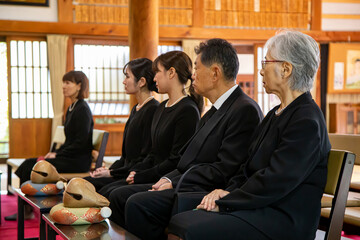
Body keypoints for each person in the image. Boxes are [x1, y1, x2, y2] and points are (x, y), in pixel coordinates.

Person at [168, 31, 331, 240]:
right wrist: (223, 191)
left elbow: (276, 180)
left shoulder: (306, 120)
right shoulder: (276, 113)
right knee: (182, 213)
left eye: (266, 62)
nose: (261, 71)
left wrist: (228, 199)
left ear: (286, 69)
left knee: (187, 225)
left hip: (283, 218)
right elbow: (247, 167)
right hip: (261, 205)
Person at [110, 38, 263, 239]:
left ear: (215, 73)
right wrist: (167, 178)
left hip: (208, 192)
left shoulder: (244, 109)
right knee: (123, 196)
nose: (193, 75)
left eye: (197, 68)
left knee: (137, 202)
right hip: (190, 184)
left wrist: (176, 182)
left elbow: (225, 168)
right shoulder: (212, 111)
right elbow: (186, 159)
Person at [97, 51, 202, 199]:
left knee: (115, 195)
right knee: (107, 191)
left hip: (167, 180)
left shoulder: (188, 110)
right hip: (153, 174)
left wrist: (141, 175)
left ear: (171, 73)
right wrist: (136, 171)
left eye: (157, 72)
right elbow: (153, 154)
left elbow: (176, 160)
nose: (154, 78)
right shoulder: (162, 107)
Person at [6, 70, 94, 221]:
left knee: (30, 165)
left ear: (79, 86)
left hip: (76, 161)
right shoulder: (72, 108)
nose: (63, 86)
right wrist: (56, 153)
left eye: (68, 83)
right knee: (29, 163)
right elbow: (69, 142)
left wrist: (57, 154)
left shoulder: (82, 109)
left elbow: (80, 143)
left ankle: (27, 210)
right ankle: (27, 209)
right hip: (68, 157)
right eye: (63, 83)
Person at [84, 58, 159, 191]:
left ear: (141, 82)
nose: (124, 81)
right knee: (81, 183)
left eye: (127, 77)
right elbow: (125, 157)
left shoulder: (152, 109)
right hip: (125, 171)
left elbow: (145, 157)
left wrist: (112, 173)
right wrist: (108, 170)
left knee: (91, 188)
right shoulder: (137, 108)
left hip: (134, 174)